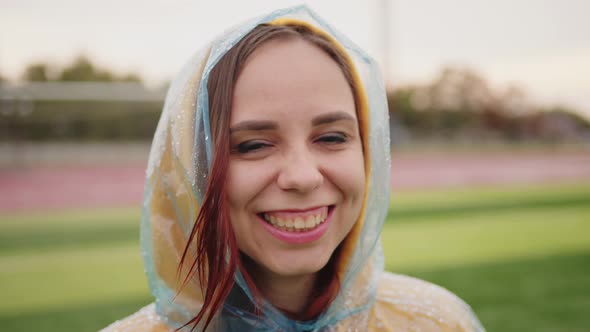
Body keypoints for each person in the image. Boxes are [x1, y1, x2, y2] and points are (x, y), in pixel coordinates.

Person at [101, 5, 485, 332]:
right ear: (192, 168)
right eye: (253, 145)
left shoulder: (435, 322)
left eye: (332, 138)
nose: (303, 176)